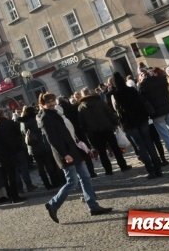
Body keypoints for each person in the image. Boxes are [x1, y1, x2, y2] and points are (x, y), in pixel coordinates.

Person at [39, 92, 113, 223]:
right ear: (43, 104)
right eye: (48, 102)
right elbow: (52, 140)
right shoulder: (45, 117)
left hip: (73, 150)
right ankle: (53, 204)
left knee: (85, 177)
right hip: (65, 153)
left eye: (52, 100)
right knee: (72, 181)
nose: (51, 103)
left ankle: (93, 206)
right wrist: (64, 154)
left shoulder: (55, 113)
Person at [110, 72, 163, 179]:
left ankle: (151, 171)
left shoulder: (115, 94)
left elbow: (116, 110)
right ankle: (158, 168)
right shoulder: (132, 90)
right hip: (141, 119)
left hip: (129, 123)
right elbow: (141, 101)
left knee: (140, 146)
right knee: (149, 143)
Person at [77, 87, 132, 175]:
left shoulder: (81, 107)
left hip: (94, 132)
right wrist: (115, 123)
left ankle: (108, 170)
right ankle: (123, 166)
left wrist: (87, 131)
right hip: (107, 128)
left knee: (101, 152)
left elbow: (81, 122)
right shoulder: (99, 101)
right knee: (115, 148)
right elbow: (109, 112)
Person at [0, 109, 37, 195]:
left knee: (15, 171)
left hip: (8, 152)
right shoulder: (11, 123)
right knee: (24, 168)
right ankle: (29, 185)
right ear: (3, 114)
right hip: (18, 149)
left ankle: (20, 188)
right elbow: (19, 133)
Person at [22, 105, 63, 188]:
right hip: (42, 145)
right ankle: (54, 182)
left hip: (32, 148)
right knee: (49, 166)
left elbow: (23, 134)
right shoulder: (35, 120)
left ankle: (46, 184)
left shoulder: (22, 122)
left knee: (40, 167)